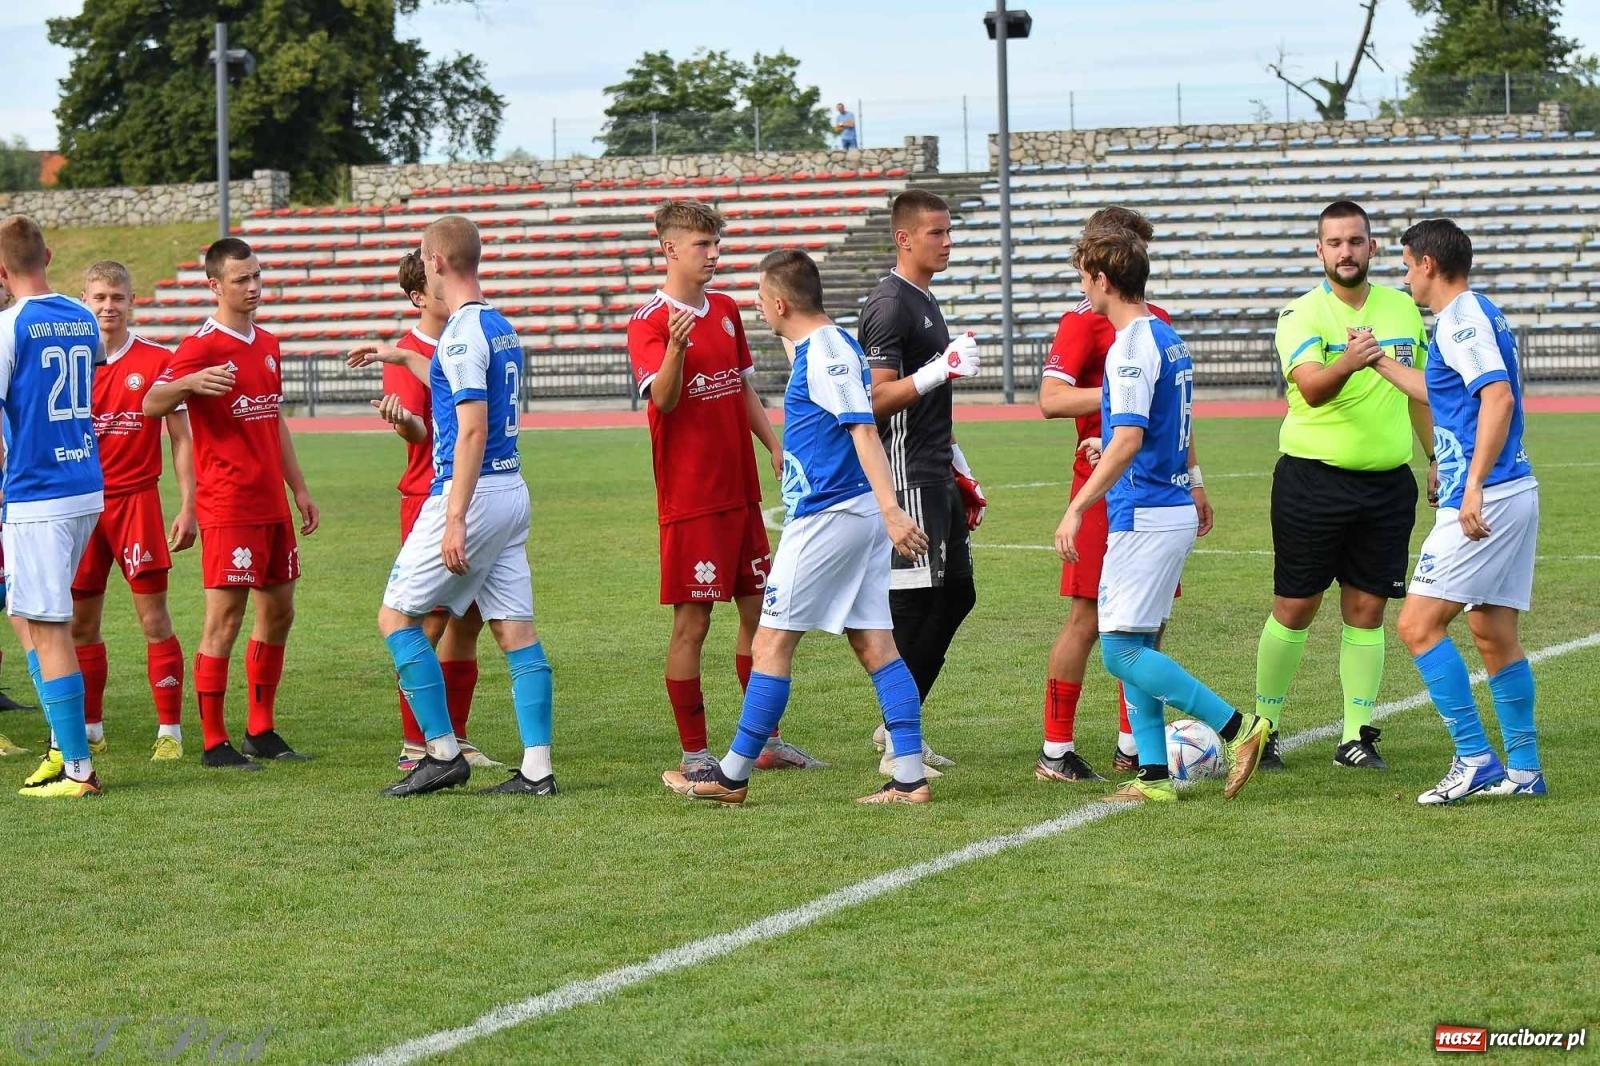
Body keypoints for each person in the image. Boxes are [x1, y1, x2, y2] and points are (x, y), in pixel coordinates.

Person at [663, 250, 932, 806]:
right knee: (875, 643)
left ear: (780, 303)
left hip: (830, 516)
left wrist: (891, 509)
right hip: (850, 513)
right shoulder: (827, 345)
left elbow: (862, 431)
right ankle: (909, 777)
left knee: (770, 640)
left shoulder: (827, 355)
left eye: (762, 299)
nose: (759, 309)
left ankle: (731, 776)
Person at [1053, 225, 1269, 804]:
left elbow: (1126, 439)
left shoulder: (1128, 346)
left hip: (1145, 512)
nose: (1083, 289)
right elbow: (1155, 428)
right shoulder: (1166, 338)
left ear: (1102, 279)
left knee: (1119, 650)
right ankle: (1154, 778)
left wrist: (1077, 507)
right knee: (1137, 644)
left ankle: (1238, 727)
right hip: (1162, 504)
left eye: (1084, 277)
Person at [349, 215, 556, 798]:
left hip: (473, 492)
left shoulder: (463, 335)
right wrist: (397, 354)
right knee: (516, 631)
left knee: (397, 618)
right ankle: (537, 770)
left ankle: (439, 751)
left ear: (435, 262)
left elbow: (469, 430)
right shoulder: (497, 326)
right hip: (512, 489)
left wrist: (456, 517)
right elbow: (449, 374)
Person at [627, 199, 820, 775]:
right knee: (693, 623)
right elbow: (661, 400)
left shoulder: (728, 310)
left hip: (740, 496)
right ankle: (694, 754)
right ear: (669, 249)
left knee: (761, 615)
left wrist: (774, 444)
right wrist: (678, 348)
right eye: (702, 245)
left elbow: (740, 387)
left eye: (716, 244)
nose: (713, 254)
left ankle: (765, 742)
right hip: (691, 501)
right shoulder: (650, 321)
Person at [1363, 218, 1543, 804]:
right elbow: (1443, 392)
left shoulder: (1461, 318)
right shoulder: (1474, 314)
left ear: (1429, 264)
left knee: (1417, 625)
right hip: (1513, 492)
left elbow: (1498, 396)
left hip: (1486, 498)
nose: (1405, 276)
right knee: (1491, 631)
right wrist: (1380, 364)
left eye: (1407, 264)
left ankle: (1474, 757)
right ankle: (1524, 769)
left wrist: (1473, 487)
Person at [1255, 200, 1433, 771]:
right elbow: (1310, 388)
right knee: (1296, 604)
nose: (1346, 252)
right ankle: (1266, 727)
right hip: (1312, 480)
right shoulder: (1301, 315)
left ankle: (1357, 735)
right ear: (1320, 251)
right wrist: (1353, 360)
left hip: (1386, 485)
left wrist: (1435, 456)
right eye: (1334, 243)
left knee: (1367, 607)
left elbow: (1417, 392)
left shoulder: (1404, 309)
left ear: (1372, 248)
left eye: (1355, 241)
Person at [1035, 206, 1211, 782]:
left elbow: (1171, 414)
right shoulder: (1084, 322)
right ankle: (1056, 749)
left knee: (1145, 629)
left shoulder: (1153, 324)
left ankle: (1136, 749)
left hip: (1152, 487)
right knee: (1091, 619)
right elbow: (1052, 399)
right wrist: (1112, 408)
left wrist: (1198, 478)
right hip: (1110, 486)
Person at [143, 237, 319, 769]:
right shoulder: (199, 346)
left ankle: (260, 729)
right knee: (225, 617)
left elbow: (275, 418)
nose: (253, 287)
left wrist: (300, 488)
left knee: (280, 612)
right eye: (242, 280)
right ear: (215, 286)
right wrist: (190, 382)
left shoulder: (267, 342)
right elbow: (151, 402)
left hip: (271, 504)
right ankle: (214, 741)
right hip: (228, 504)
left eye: (257, 276)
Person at [858, 189, 983, 774]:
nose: (947, 241)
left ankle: (898, 726)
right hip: (905, 473)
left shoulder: (924, 300)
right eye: (936, 232)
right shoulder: (890, 304)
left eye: (949, 231)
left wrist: (958, 462)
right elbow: (876, 400)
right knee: (914, 606)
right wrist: (940, 371)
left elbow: (927, 401)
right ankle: (899, 743)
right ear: (904, 238)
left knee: (958, 593)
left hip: (934, 468)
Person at [60, 261, 195, 765]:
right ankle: (92, 728)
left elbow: (182, 439)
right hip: (81, 504)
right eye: (98, 298)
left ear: (132, 300)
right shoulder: (70, 362)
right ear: (84, 300)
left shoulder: (158, 360)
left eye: (117, 297)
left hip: (137, 501)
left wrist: (188, 504)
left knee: (153, 618)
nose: (108, 306)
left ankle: (169, 731)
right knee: (79, 623)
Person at [371, 250, 495, 773]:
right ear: (420, 296)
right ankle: (416, 745)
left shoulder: (464, 339)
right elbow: (420, 434)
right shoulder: (413, 350)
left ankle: (457, 737)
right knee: (424, 622)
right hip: (430, 498)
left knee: (467, 624)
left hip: (473, 497)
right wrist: (403, 425)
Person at [0, 214, 105, 797]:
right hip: (84, 482)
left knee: (48, 625)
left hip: (38, 493)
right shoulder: (81, 316)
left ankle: (78, 768)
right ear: (49, 253)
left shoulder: (9, 326)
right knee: (31, 619)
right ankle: (61, 745)